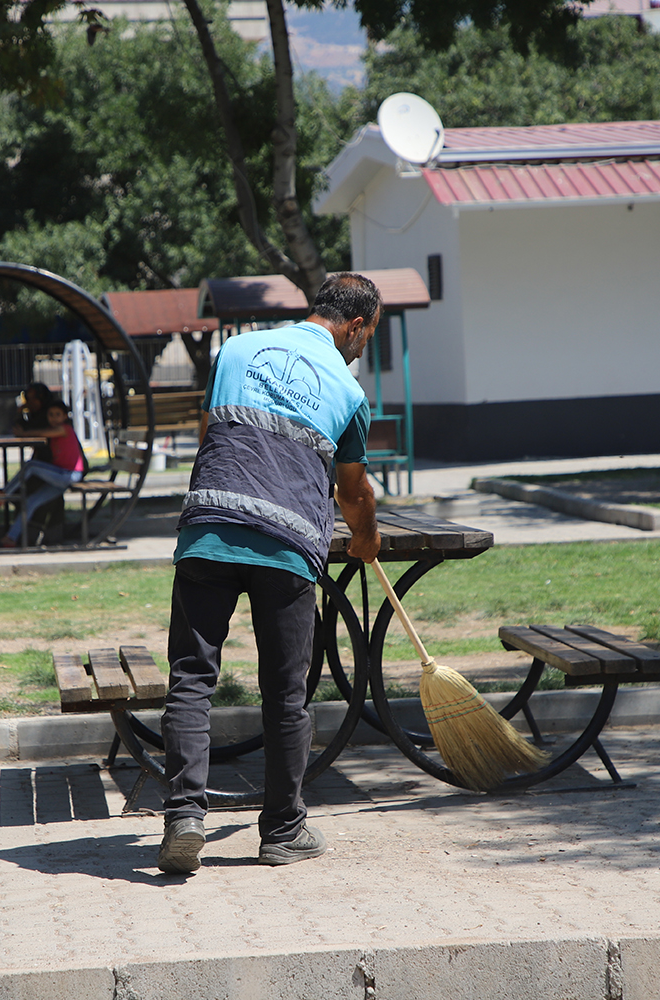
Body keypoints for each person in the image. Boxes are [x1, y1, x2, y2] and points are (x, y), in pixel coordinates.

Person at [157, 272, 382, 875]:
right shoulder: (350, 393)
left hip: (209, 531)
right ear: (354, 326)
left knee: (192, 677)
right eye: (368, 337)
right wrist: (365, 540)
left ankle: (184, 815)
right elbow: (353, 490)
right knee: (286, 693)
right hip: (286, 548)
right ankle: (283, 830)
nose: (363, 349)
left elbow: (214, 437)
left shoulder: (235, 349)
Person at [0, 399, 85, 547]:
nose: (54, 418)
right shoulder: (56, 430)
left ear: (65, 417)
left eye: (58, 415)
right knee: (30, 503)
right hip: (61, 476)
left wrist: (24, 434)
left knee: (31, 467)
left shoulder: (64, 429)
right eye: (51, 415)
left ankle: (4, 494)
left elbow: (42, 432)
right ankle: (10, 538)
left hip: (68, 475)